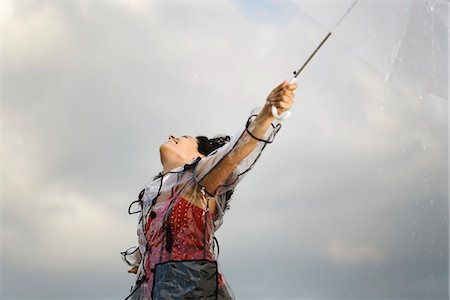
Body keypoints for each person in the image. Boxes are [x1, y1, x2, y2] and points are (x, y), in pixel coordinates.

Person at [121, 79, 298, 299]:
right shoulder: (156, 194)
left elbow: (234, 154)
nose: (172, 136)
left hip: (195, 292)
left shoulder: (198, 179)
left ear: (202, 157)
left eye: (184, 138)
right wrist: (143, 257)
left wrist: (267, 114)